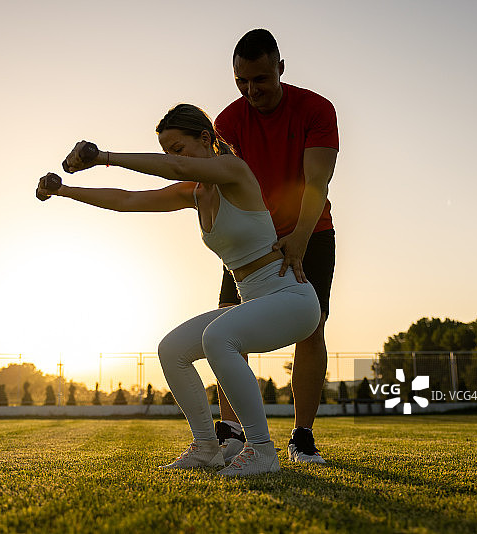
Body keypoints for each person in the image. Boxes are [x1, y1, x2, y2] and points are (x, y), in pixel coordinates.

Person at [43, 104, 321, 476]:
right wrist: (65, 191)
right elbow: (128, 201)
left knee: (217, 337)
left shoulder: (234, 171)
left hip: (292, 300)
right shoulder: (195, 193)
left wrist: (103, 156)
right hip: (256, 301)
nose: (174, 158)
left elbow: (175, 169)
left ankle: (261, 450)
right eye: (167, 151)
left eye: (178, 148)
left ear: (206, 139)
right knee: (171, 349)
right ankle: (207, 446)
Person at [211, 29, 339, 465]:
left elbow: (316, 181)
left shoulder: (316, 109)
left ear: (280, 68)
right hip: (253, 238)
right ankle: (230, 433)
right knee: (228, 326)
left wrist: (299, 241)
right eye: (242, 82)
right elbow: (226, 186)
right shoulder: (227, 122)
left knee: (312, 326)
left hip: (311, 231)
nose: (252, 90)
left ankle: (302, 436)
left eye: (261, 79)